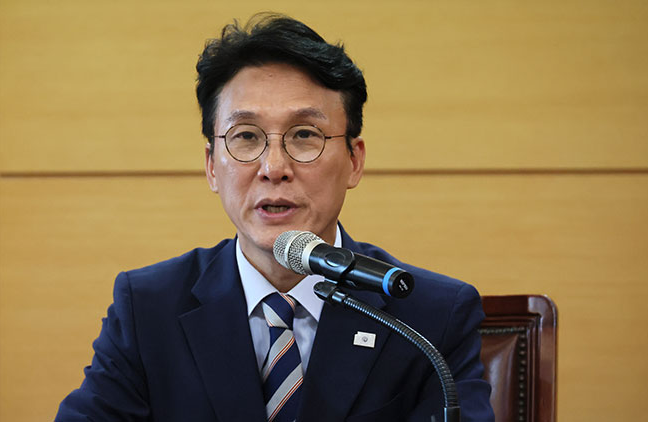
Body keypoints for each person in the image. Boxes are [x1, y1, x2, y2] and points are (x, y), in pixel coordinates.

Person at [56, 13, 494, 422]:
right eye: (246, 136)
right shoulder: (148, 308)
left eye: (304, 135)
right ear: (212, 166)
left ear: (354, 161)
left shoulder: (430, 317)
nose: (273, 167)